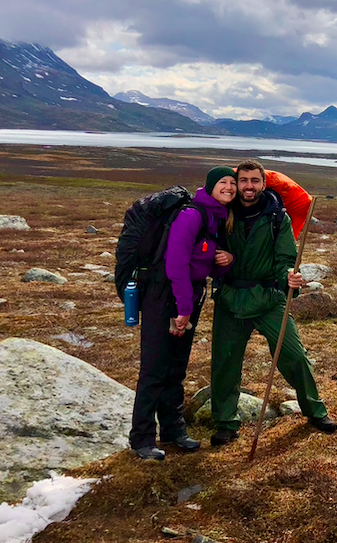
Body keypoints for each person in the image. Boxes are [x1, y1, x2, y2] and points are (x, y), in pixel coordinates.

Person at [209, 159, 337, 447]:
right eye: (243, 181)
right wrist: (221, 260)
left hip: (269, 299)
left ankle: (315, 411)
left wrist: (288, 278)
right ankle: (225, 424)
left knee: (295, 356)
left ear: (264, 184)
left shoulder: (278, 216)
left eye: (255, 181)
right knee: (224, 364)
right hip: (230, 298)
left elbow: (284, 259)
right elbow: (204, 249)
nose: (249, 186)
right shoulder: (220, 213)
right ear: (236, 183)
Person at [129, 166, 237, 461]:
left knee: (176, 367)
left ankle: (173, 430)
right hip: (165, 296)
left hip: (187, 295)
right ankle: (141, 438)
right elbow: (174, 264)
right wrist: (183, 309)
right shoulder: (192, 215)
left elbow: (205, 265)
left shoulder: (217, 217)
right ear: (211, 186)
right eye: (222, 183)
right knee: (154, 368)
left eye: (232, 183)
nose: (229, 187)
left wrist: (227, 261)